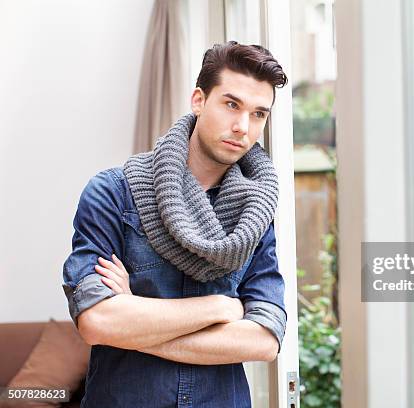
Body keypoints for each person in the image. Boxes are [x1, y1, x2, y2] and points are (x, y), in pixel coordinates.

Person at [61, 41, 288, 407]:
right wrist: (219, 308)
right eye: (231, 104)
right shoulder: (113, 194)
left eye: (258, 114)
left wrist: (135, 320)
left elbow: (263, 341)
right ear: (198, 100)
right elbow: (97, 321)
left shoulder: (255, 212)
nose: (243, 127)